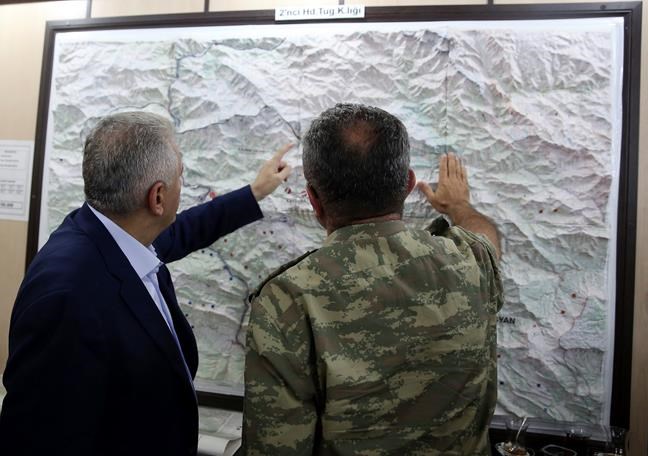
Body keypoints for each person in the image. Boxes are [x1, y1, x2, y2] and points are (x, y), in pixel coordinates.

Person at [0, 111, 292, 456]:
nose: (182, 183)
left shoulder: (116, 234)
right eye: (180, 175)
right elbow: (39, 439)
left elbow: (186, 230)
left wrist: (254, 193)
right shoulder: (68, 296)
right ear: (157, 198)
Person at [242, 103, 503, 455]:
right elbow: (487, 239)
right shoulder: (469, 261)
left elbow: (277, 447)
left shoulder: (286, 299)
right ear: (408, 185)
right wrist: (459, 207)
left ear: (314, 200)